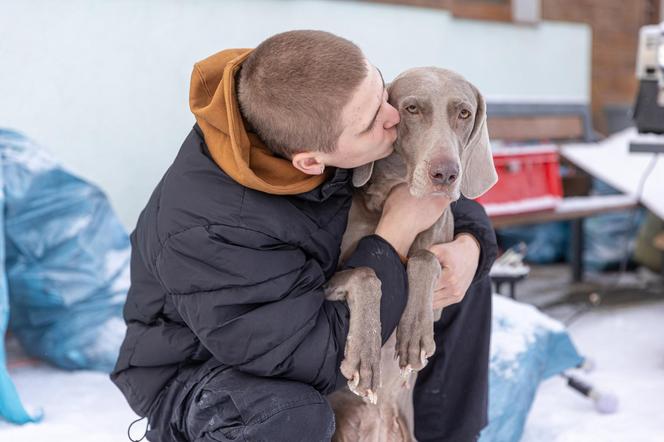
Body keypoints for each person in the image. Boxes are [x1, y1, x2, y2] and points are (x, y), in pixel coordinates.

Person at [110, 30, 497, 442]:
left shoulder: (317, 96)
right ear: (311, 162)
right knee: (292, 415)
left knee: (454, 282)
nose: (392, 117)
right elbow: (314, 356)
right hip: (201, 370)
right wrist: (393, 235)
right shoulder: (214, 230)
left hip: (297, 317)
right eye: (372, 122)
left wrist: (471, 246)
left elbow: (434, 188)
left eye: (380, 91)